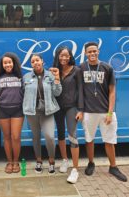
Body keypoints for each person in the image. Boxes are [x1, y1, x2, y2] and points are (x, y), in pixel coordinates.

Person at [80, 42, 127, 182]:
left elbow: (112, 92)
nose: (92, 54)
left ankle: (113, 167)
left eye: (94, 51)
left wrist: (110, 112)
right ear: (86, 53)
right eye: (89, 52)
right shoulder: (81, 68)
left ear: (98, 51)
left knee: (110, 140)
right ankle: (90, 163)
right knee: (89, 139)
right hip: (89, 112)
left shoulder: (107, 67)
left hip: (106, 111)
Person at [23, 54, 62, 175]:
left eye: (37, 60)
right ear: (31, 64)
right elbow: (22, 93)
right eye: (33, 61)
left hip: (47, 112)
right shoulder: (26, 76)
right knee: (36, 137)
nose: (35, 62)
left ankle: (51, 161)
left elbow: (57, 93)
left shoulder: (50, 75)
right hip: (32, 112)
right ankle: (39, 161)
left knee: (50, 137)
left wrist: (57, 78)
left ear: (42, 62)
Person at [52, 46, 84, 183]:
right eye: (61, 55)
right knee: (60, 133)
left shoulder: (77, 70)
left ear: (70, 56)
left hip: (72, 107)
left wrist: (81, 109)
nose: (64, 58)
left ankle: (75, 169)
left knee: (72, 136)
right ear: (58, 56)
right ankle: (65, 160)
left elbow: (81, 90)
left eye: (66, 55)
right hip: (58, 107)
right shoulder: (54, 71)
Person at [0, 52, 24, 174]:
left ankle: (16, 162)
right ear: (2, 65)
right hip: (3, 110)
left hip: (17, 109)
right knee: (6, 137)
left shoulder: (20, 77)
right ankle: (9, 162)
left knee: (16, 137)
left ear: (14, 63)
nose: (7, 64)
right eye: (5, 63)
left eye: (9, 62)